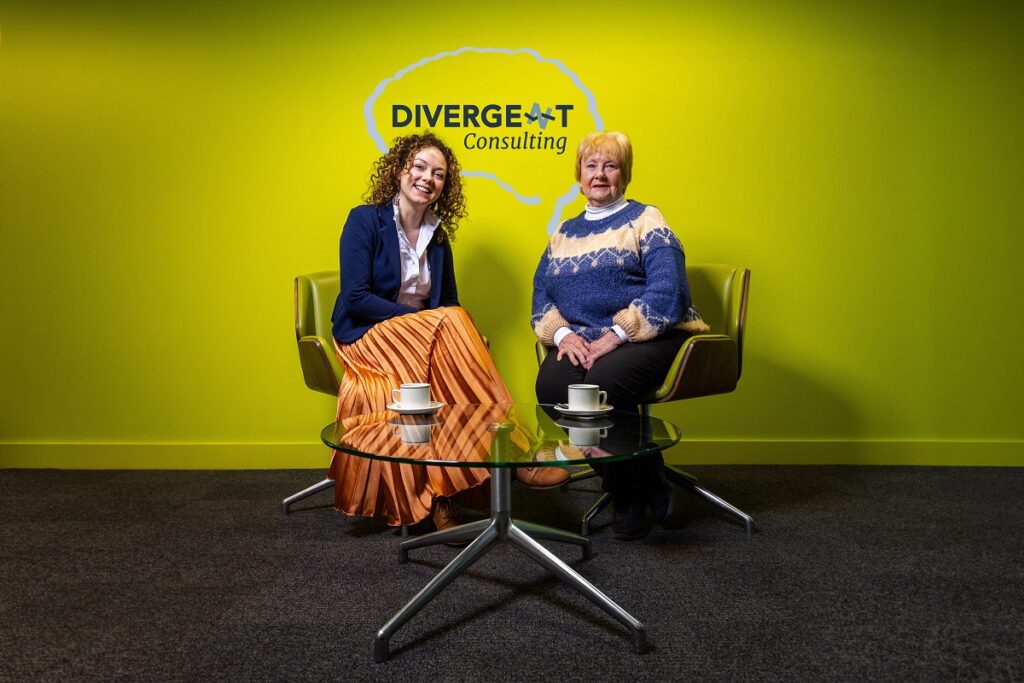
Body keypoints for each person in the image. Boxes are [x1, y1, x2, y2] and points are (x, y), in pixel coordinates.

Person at [329, 132, 566, 533]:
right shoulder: (364, 220)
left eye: (438, 174)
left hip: (425, 339)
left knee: (452, 352)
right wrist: (417, 319)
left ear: (444, 188)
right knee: (455, 322)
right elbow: (355, 298)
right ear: (399, 170)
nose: (427, 178)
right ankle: (521, 453)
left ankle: (444, 498)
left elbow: (449, 301)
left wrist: (442, 328)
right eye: (419, 167)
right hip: (368, 336)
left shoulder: (438, 238)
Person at [531, 131, 708, 540]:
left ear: (624, 175)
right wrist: (561, 337)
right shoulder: (564, 233)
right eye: (591, 166)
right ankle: (645, 479)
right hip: (583, 341)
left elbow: (670, 292)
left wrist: (617, 332)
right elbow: (541, 294)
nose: (600, 175)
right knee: (551, 386)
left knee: (601, 386)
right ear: (578, 176)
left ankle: (626, 498)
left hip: (647, 335)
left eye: (610, 166)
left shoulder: (646, 219)